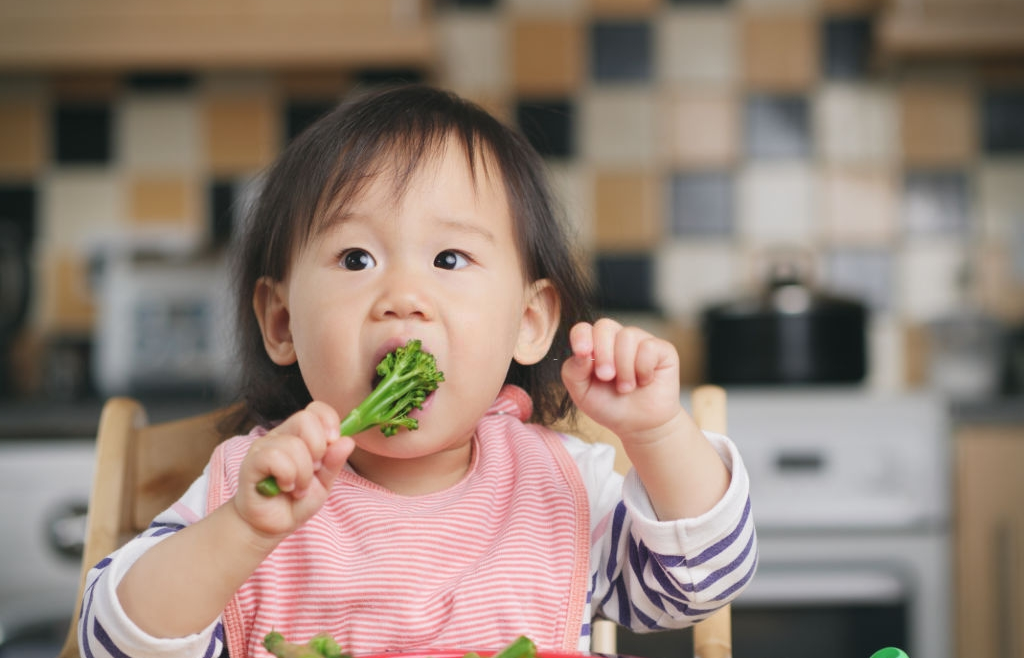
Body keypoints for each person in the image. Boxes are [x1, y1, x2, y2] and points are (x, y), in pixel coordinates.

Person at [79, 84, 756, 658]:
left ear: (529, 321)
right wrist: (242, 531)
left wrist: (659, 433)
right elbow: (109, 641)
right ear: (282, 322)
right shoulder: (247, 488)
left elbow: (698, 584)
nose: (403, 296)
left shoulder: (561, 486)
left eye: (450, 259)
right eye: (355, 260)